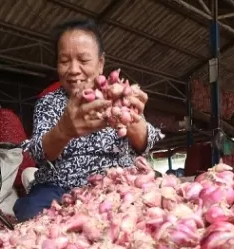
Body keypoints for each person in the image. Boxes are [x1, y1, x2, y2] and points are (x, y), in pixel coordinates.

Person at [14, 19, 162, 223]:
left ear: (100, 63)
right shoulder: (48, 102)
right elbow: (39, 153)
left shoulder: (118, 95)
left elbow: (146, 143)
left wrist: (133, 121)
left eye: (83, 60)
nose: (73, 69)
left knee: (156, 202)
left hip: (116, 182)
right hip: (60, 188)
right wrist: (63, 130)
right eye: (64, 60)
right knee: (30, 210)